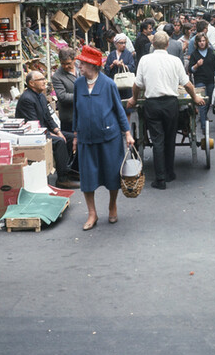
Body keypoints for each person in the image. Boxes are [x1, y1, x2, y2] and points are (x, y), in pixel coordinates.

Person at [126, 31, 205, 189]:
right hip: (171, 104)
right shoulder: (175, 60)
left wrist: (134, 99)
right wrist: (195, 97)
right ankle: (170, 173)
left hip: (152, 104)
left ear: (153, 44)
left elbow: (137, 84)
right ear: (168, 45)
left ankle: (160, 179)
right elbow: (187, 84)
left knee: (157, 141)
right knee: (170, 139)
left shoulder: (145, 60)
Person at [72, 45, 136, 230]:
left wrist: (128, 133)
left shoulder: (108, 84)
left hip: (110, 137)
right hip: (86, 137)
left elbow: (119, 110)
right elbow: (76, 110)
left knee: (112, 174)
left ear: (92, 65)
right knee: (87, 176)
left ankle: (112, 205)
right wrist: (75, 135)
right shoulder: (78, 84)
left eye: (82, 64)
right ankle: (92, 213)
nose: (80, 67)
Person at [15, 70, 80, 189]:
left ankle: (70, 170)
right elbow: (34, 124)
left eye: (44, 78)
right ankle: (62, 179)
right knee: (59, 142)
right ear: (31, 83)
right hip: (33, 134)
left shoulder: (41, 96)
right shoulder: (27, 99)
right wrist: (53, 135)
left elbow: (49, 118)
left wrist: (58, 131)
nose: (44, 81)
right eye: (40, 79)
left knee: (72, 138)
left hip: (43, 131)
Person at [188, 31, 215, 137]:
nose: (202, 43)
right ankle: (203, 126)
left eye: (203, 41)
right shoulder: (194, 54)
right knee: (202, 103)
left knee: (208, 100)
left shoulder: (210, 52)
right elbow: (191, 70)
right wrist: (197, 65)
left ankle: (203, 117)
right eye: (200, 41)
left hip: (210, 79)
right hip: (199, 80)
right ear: (197, 43)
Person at [52, 48, 79, 132]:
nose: (66, 66)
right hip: (70, 118)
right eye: (62, 64)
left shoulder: (80, 66)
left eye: (68, 63)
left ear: (74, 59)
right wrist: (83, 95)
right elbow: (62, 96)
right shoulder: (57, 76)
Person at [103, 32, 136, 100]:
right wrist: (113, 64)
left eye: (124, 43)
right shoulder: (111, 55)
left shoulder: (128, 54)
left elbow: (132, 67)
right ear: (116, 44)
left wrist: (123, 66)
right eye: (121, 43)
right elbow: (106, 70)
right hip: (114, 85)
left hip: (126, 86)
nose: (123, 45)